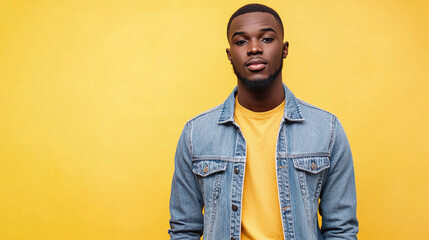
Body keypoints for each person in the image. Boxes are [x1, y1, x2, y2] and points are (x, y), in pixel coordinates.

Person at [168, 3, 358, 240]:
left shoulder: (326, 130)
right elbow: (184, 229)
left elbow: (341, 229)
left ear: (285, 49)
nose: (254, 48)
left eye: (267, 39)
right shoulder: (196, 134)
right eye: (241, 42)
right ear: (230, 55)